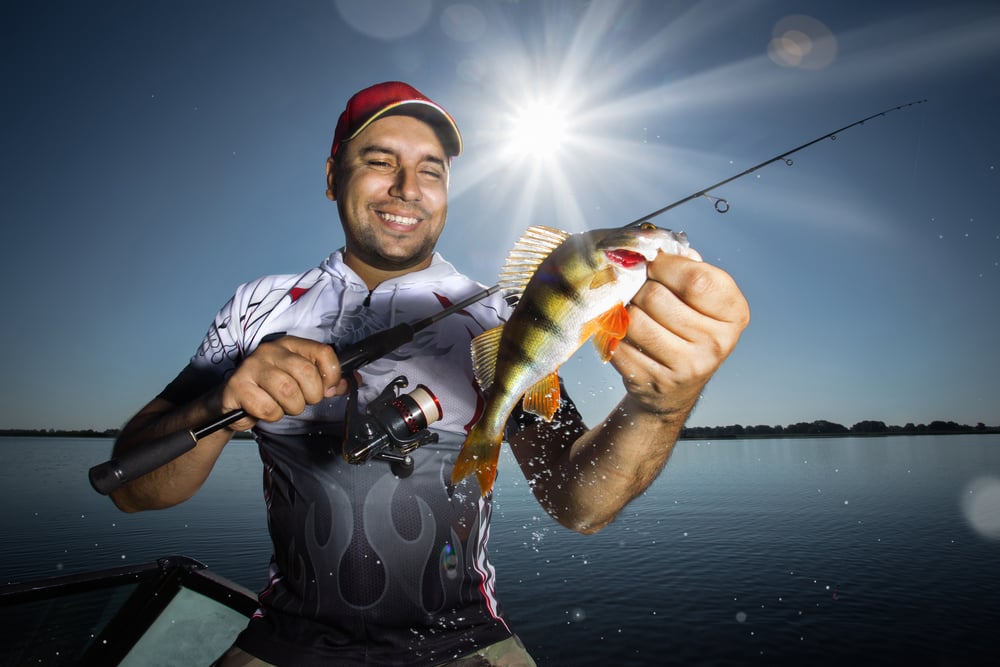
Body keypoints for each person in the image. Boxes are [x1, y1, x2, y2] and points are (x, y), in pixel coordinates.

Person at [109, 81, 749, 666]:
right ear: (334, 177)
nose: (406, 188)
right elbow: (132, 490)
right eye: (380, 160)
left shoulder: (502, 318)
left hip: (468, 645)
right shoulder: (257, 307)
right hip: (281, 642)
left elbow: (579, 503)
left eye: (430, 171)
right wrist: (219, 405)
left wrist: (661, 406)